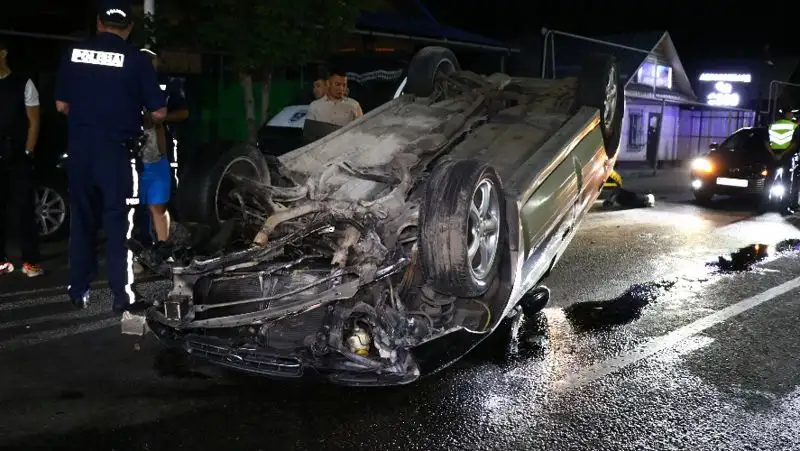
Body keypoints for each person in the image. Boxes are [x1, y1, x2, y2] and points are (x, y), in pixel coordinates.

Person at [55, 1, 167, 313]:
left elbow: (61, 105)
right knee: (119, 224)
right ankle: (122, 296)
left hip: (80, 151)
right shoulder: (136, 59)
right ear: (128, 28)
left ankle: (78, 289)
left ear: (98, 23)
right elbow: (159, 111)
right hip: (116, 154)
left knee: (82, 221)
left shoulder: (74, 53)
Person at [132, 48, 188, 275]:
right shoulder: (125, 86)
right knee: (137, 208)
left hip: (158, 154)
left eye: (153, 63)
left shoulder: (166, 85)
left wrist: (158, 120)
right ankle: (139, 253)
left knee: (160, 204)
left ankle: (165, 250)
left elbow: (182, 112)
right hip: (133, 157)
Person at [0, 38, 43, 277]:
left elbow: (33, 121)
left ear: (3, 53)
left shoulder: (23, 83)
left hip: (17, 154)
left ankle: (31, 261)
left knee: (25, 208)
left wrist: (28, 150)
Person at [768, 108, 800, 213]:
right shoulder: (793, 126)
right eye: (791, 113)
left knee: (769, 181)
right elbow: (795, 143)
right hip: (787, 157)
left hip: (773, 157)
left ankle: (765, 205)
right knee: (786, 182)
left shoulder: (773, 125)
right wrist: (782, 154)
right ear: (787, 114)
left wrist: (774, 154)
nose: (792, 115)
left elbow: (766, 142)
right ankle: (784, 207)